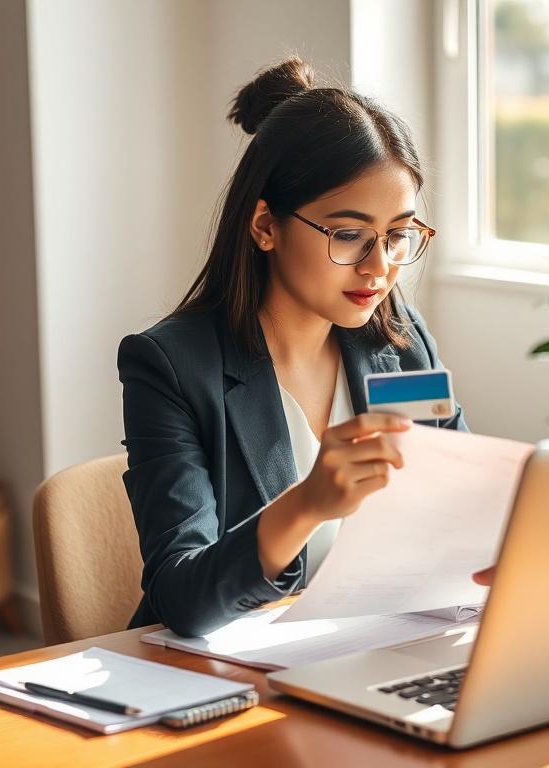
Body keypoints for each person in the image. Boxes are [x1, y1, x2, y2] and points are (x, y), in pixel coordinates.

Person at [118, 56, 468, 638]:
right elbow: (180, 597)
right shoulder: (171, 367)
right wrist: (307, 504)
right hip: (223, 677)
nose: (379, 268)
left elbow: (456, 504)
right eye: (350, 235)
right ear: (265, 226)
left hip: (371, 648)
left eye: (398, 235)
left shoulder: (400, 340)